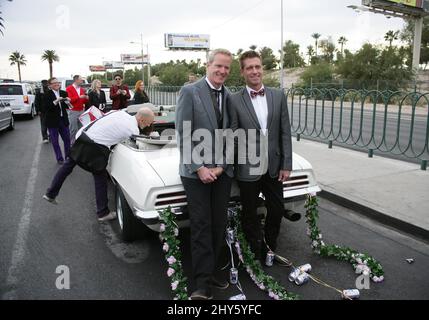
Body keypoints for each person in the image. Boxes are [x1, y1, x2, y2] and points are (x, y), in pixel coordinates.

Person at [176, 49, 234, 300]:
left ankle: (212, 273)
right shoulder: (190, 91)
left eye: (227, 68)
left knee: (218, 224)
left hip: (221, 171)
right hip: (195, 173)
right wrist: (199, 168)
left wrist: (221, 167)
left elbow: (232, 134)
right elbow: (183, 133)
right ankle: (201, 284)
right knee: (201, 225)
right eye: (218, 66)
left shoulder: (229, 95)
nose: (222, 71)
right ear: (208, 65)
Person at [229, 50, 292, 264]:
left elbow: (285, 131)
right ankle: (253, 251)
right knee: (249, 213)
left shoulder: (278, 95)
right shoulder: (234, 99)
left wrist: (286, 163)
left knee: (276, 209)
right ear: (243, 72)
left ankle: (270, 248)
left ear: (262, 68)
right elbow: (233, 136)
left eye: (257, 66)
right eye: (249, 68)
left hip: (274, 165)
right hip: (248, 168)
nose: (254, 71)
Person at [43, 107, 155, 221]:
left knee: (67, 166)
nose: (148, 126)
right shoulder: (133, 129)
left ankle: (50, 193)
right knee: (100, 177)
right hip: (95, 146)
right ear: (141, 119)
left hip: (83, 135)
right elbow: (136, 146)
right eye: (148, 123)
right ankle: (102, 213)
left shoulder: (121, 113)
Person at [44, 77, 72, 164]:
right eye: (54, 83)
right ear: (50, 85)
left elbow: (68, 107)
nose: (57, 84)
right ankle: (59, 158)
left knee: (67, 140)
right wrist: (56, 101)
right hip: (52, 122)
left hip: (63, 120)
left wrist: (68, 102)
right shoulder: (47, 94)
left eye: (57, 82)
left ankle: (68, 157)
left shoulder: (64, 93)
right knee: (55, 141)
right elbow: (46, 108)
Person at [66, 75, 89, 143]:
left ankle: (79, 143)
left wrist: (86, 98)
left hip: (81, 110)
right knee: (73, 129)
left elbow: (83, 101)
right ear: (76, 80)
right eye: (81, 80)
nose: (82, 81)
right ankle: (72, 143)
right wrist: (79, 97)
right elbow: (70, 100)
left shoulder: (81, 89)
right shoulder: (69, 88)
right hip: (73, 111)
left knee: (81, 128)